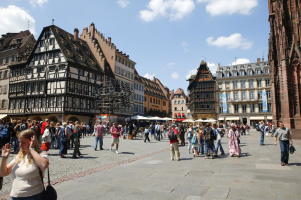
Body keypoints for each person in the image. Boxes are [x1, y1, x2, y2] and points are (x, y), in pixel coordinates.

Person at [0, 129, 49, 199]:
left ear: (33, 141)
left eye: (23, 142)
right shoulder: (20, 156)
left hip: (34, 196)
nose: (20, 145)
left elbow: (44, 165)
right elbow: (2, 173)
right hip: (15, 196)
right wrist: (4, 158)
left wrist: (31, 149)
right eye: (19, 142)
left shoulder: (41, 154)